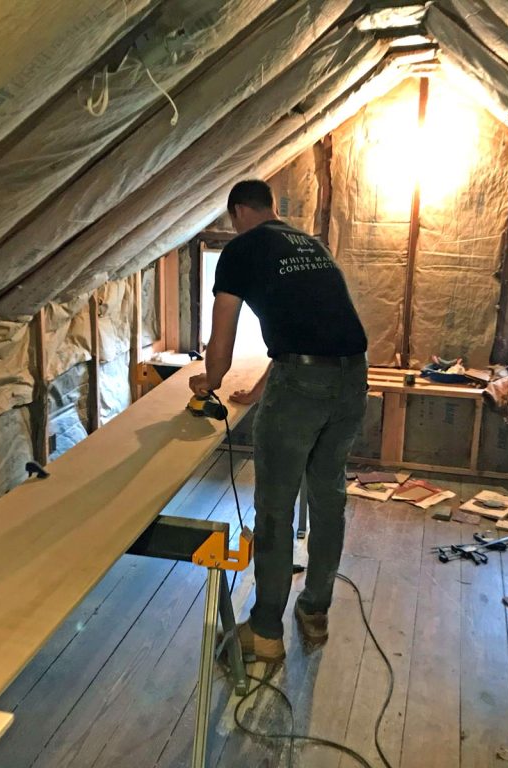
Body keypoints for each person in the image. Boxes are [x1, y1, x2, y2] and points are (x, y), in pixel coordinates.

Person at [188, 179, 368, 663]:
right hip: (352, 380)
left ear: (239, 211)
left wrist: (211, 379)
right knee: (328, 497)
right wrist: (264, 388)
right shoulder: (311, 244)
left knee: (274, 507)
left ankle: (265, 631)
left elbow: (221, 336)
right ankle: (315, 609)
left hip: (302, 387)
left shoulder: (241, 249)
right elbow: (311, 327)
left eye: (231, 220)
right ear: (271, 207)